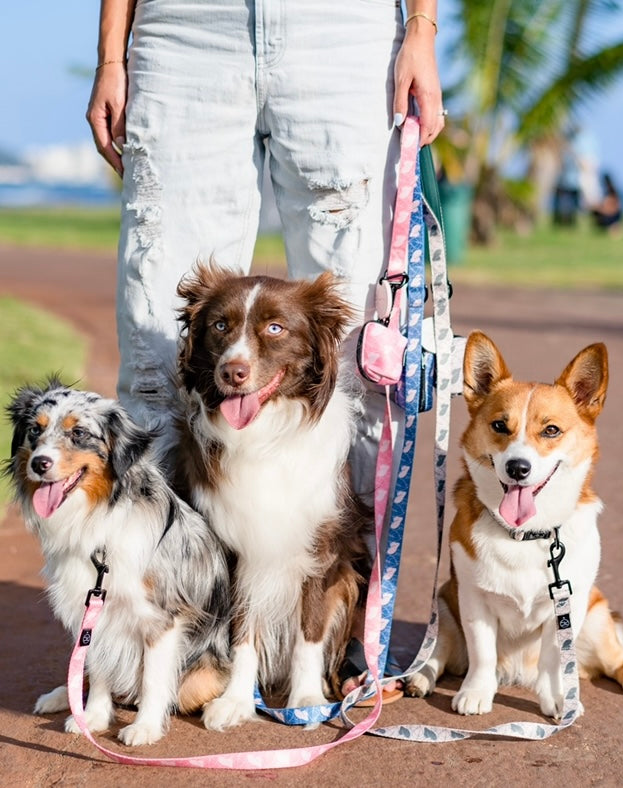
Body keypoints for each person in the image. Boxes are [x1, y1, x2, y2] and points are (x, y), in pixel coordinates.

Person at [87, 0, 444, 696]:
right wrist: (111, 52)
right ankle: (164, 640)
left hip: (342, 30)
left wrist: (421, 30)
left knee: (363, 363)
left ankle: (341, 635)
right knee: (163, 361)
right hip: (184, 28)